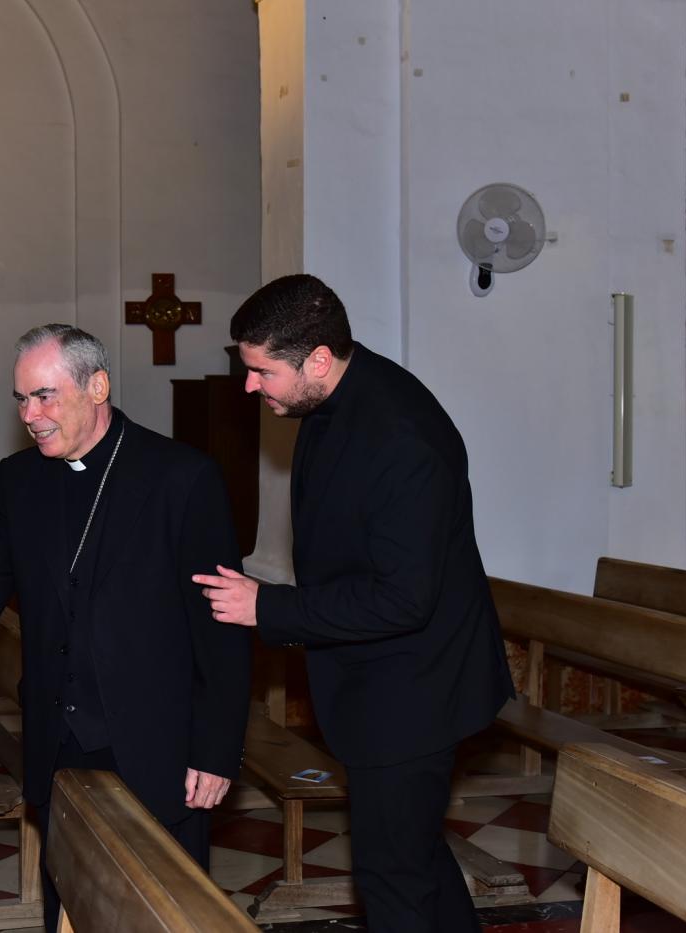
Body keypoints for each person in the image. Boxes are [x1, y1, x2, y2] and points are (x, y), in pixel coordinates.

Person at [195, 274, 514, 933]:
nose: (250, 387)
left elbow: (403, 598)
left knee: (391, 877)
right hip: (380, 682)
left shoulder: (402, 438)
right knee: (413, 857)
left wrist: (271, 608)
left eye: (260, 371)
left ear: (316, 358)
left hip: (415, 689)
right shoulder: (332, 398)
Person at [0, 324, 252, 928]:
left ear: (96, 386)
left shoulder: (182, 478)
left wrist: (216, 749)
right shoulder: (20, 480)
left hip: (158, 747)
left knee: (162, 913)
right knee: (70, 904)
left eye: (45, 396)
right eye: (22, 399)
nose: (31, 414)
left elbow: (222, 627)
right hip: (59, 740)